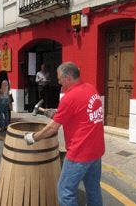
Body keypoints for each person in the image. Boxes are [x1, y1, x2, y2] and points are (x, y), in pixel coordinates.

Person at [24, 62, 105, 206]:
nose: (59, 82)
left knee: (65, 191)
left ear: (67, 78)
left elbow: (52, 129)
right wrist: (58, 113)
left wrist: (33, 137)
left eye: (60, 79)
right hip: (96, 150)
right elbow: (81, 113)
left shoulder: (69, 97)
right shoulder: (91, 89)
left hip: (79, 153)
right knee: (93, 189)